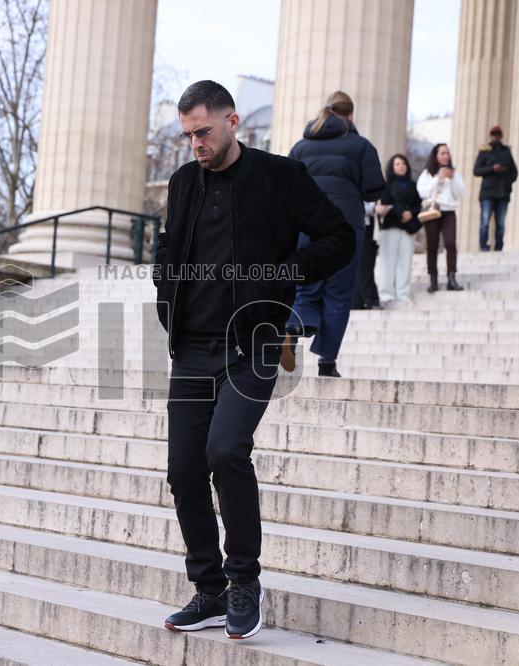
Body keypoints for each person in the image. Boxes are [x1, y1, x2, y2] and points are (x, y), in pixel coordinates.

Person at [153, 80, 354, 640]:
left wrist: (285, 274)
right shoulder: (183, 181)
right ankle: (209, 590)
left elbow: (339, 237)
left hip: (254, 343)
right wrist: (164, 282)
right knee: (183, 471)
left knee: (225, 450)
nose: (196, 143)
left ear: (232, 121)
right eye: (188, 134)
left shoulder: (280, 176)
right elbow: (168, 244)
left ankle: (244, 581)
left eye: (204, 131)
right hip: (192, 347)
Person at [282, 91, 385, 377]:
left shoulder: (301, 146)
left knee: (305, 283)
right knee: (339, 292)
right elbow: (373, 189)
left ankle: (294, 326)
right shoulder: (361, 146)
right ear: (350, 114)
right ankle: (327, 362)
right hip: (346, 224)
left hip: (307, 223)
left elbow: (285, 186)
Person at [417, 143, 465, 292]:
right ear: (436, 155)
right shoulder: (427, 173)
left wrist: (453, 179)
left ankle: (452, 278)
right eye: (442, 153)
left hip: (448, 211)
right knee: (432, 245)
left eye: (447, 153)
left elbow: (460, 194)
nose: (446, 156)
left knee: (450, 243)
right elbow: (423, 192)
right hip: (432, 211)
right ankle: (433, 279)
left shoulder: (454, 173)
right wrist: (438, 179)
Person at [377, 154, 422, 305]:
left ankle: (403, 293)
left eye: (403, 163)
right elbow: (385, 203)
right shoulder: (386, 185)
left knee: (405, 261)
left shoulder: (413, 185)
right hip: (391, 227)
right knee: (388, 262)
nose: (401, 166)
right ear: (392, 167)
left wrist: (411, 213)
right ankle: (386, 293)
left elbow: (418, 205)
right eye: (397, 164)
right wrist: (400, 212)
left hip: (408, 229)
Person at [473, 126, 518, 251]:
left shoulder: (506, 151)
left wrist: (508, 182)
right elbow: (476, 170)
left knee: (501, 223)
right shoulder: (485, 151)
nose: (495, 137)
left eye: (497, 135)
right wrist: (492, 169)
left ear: (501, 136)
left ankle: (499, 247)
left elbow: (514, 172)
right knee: (485, 221)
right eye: (493, 135)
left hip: (503, 192)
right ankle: (483, 246)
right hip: (488, 193)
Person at [352, 201, 381, 310]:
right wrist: (373, 208)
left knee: (364, 266)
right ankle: (370, 300)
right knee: (364, 266)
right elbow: (354, 204)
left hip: (368, 227)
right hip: (363, 227)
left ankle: (358, 301)